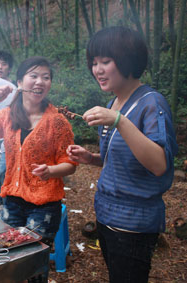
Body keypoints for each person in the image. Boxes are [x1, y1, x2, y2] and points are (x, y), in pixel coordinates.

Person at [66, 26, 178, 283]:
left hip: (133, 224)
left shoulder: (151, 103)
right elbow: (121, 159)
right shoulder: (113, 103)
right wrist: (91, 158)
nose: (98, 69)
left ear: (129, 59)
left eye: (106, 61)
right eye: (94, 63)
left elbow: (159, 164)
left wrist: (119, 121)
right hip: (106, 216)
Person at [0, 56, 77, 281]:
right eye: (34, 76)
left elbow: (70, 164)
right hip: (12, 202)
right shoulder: (9, 115)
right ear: (20, 82)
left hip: (44, 206)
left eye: (46, 78)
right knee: (11, 262)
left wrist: (51, 171)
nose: (40, 82)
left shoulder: (57, 121)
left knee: (32, 264)